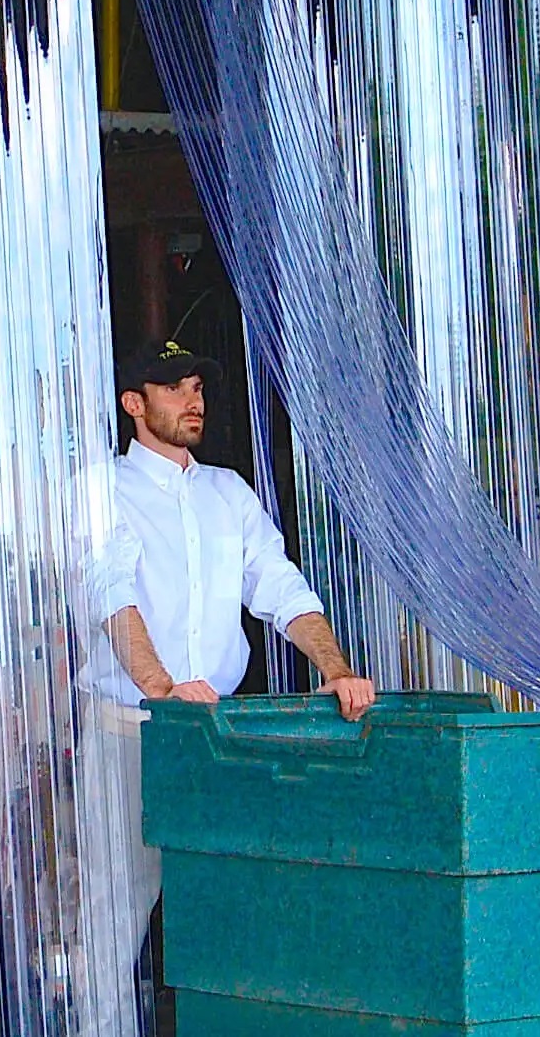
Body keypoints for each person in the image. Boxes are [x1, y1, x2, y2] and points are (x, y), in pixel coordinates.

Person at [73, 338, 375, 1037]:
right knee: (116, 913)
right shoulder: (100, 489)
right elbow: (108, 593)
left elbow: (278, 585)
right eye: (174, 387)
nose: (193, 399)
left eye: (197, 386)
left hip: (216, 735)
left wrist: (335, 668)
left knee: (231, 900)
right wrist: (162, 688)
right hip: (133, 730)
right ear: (133, 403)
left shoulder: (226, 491)